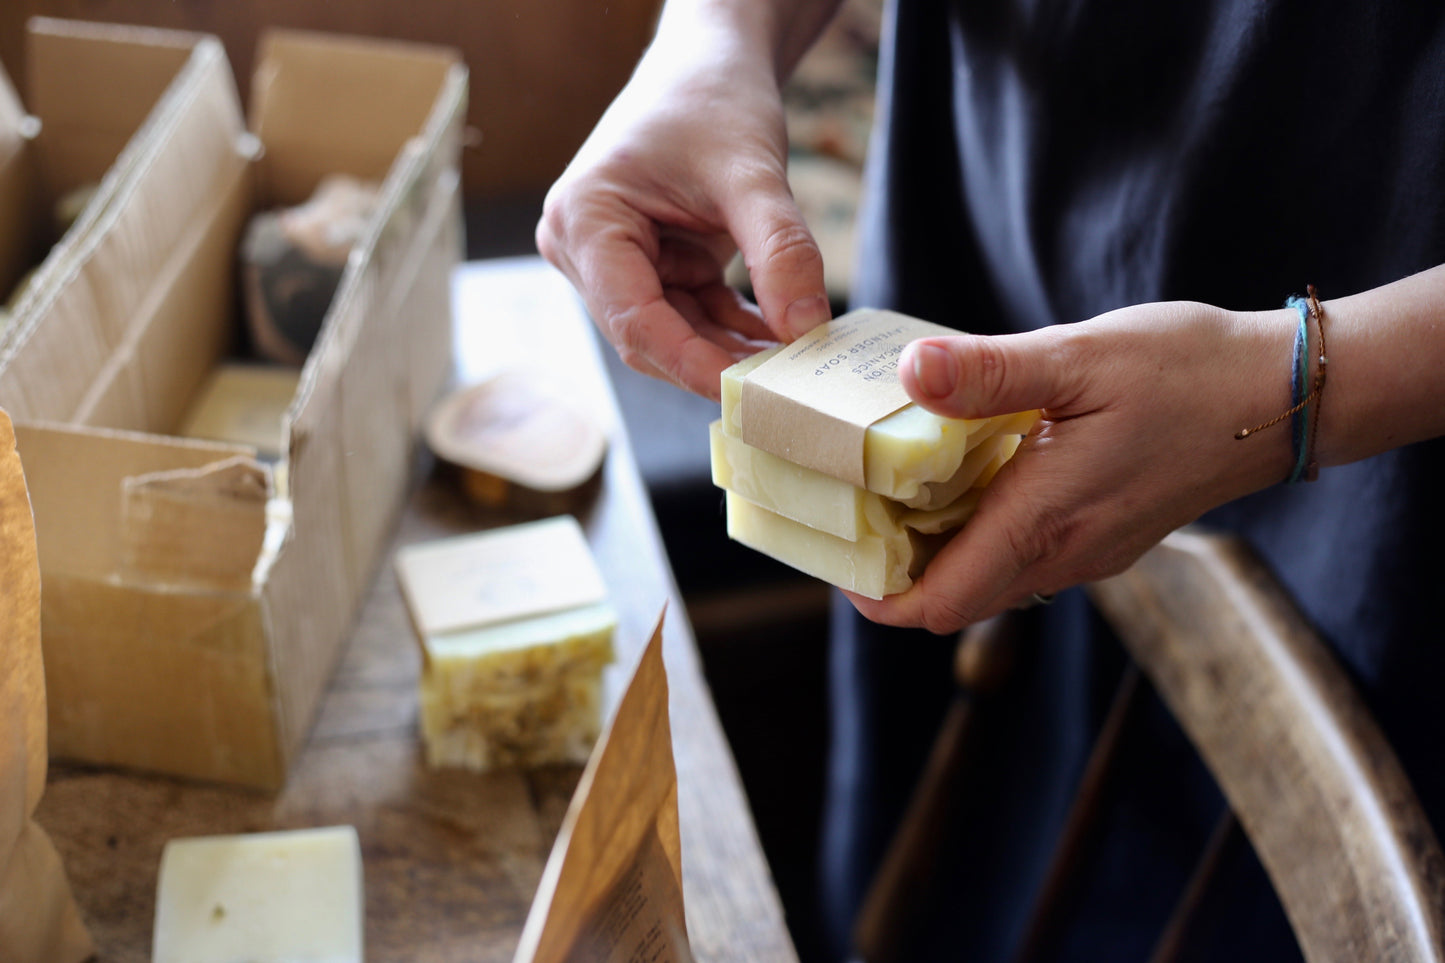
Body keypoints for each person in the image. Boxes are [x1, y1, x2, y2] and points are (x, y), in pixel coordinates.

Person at [538, 0, 1445, 958]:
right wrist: (712, 44)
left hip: (1373, 390)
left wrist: (1296, 384)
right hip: (976, 231)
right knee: (955, 857)